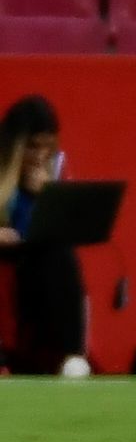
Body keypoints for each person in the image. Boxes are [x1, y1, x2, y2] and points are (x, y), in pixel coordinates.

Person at [0, 95, 86, 376]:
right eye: (32, 147)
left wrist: (47, 196)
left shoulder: (56, 167)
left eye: (47, 147)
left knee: (60, 254)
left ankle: (72, 355)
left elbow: (65, 228)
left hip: (34, 256)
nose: (40, 156)